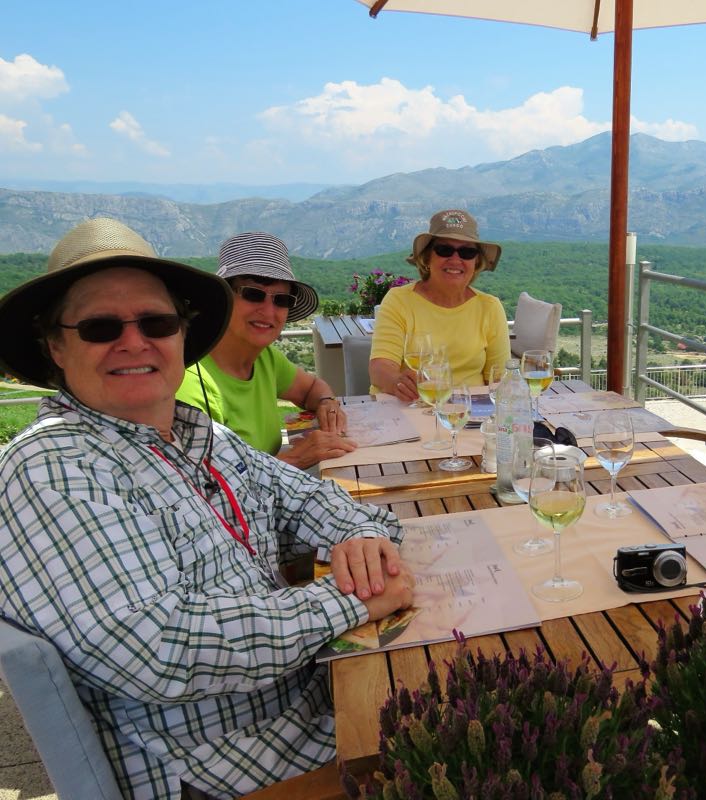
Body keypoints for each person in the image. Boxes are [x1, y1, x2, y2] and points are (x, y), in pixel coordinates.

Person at [0, 218, 414, 799]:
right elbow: (160, 649)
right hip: (229, 768)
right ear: (55, 346)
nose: (134, 341)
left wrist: (365, 542)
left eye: (157, 322)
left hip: (314, 702)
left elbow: (315, 499)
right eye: (99, 327)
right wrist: (348, 598)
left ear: (181, 334)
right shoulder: (54, 467)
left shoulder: (200, 436)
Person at [177, 231, 355, 469]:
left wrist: (326, 403)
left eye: (281, 300)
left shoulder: (264, 358)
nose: (268, 311)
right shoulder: (191, 383)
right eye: (253, 294)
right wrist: (294, 460)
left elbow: (311, 388)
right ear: (222, 299)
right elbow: (207, 487)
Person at [369, 209, 509, 399]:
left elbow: (499, 379)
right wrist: (396, 381)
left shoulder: (490, 307)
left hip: (466, 412)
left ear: (476, 262)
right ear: (427, 258)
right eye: (444, 250)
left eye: (467, 252)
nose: (455, 259)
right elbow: (380, 367)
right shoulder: (399, 300)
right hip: (408, 407)